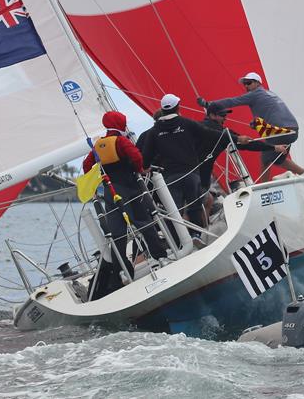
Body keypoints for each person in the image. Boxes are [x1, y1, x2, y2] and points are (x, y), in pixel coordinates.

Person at [83, 111, 167, 294]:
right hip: (130, 188)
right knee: (144, 223)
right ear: (121, 123)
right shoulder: (121, 141)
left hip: (111, 192)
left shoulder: (98, 145)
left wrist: (102, 178)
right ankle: (161, 256)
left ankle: (119, 273)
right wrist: (139, 169)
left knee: (118, 233)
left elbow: (86, 166)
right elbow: (137, 158)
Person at [198, 72, 304, 182]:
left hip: (281, 131)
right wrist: (256, 125)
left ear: (257, 83)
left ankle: (264, 188)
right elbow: (273, 113)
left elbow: (232, 101)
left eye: (248, 83)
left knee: (265, 158)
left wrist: (209, 104)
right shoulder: (269, 93)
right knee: (278, 159)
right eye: (244, 84)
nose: (246, 86)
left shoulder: (255, 94)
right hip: (293, 130)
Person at [141, 94, 213, 242]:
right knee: (196, 204)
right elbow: (206, 134)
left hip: (163, 180)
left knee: (175, 211)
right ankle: (196, 234)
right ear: (177, 109)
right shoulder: (183, 124)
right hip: (185, 173)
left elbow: (144, 158)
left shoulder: (149, 134)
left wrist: (146, 167)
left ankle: (179, 240)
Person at [198, 102, 287, 213]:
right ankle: (196, 230)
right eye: (222, 115)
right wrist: (273, 147)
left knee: (207, 201)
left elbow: (246, 142)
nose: (225, 118)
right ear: (211, 115)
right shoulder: (221, 132)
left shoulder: (198, 127)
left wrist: (272, 147)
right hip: (198, 176)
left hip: (194, 174)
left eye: (225, 115)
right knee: (203, 203)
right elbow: (248, 144)